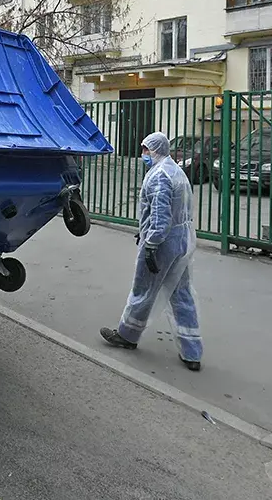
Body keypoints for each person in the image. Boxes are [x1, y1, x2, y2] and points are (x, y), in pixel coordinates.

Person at [100, 131, 203, 371]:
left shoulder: (159, 176)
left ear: (154, 150)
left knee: (144, 289)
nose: (143, 154)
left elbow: (160, 216)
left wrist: (151, 243)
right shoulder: (176, 170)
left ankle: (127, 335)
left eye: (146, 149)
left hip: (164, 242)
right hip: (183, 239)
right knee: (181, 293)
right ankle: (192, 352)